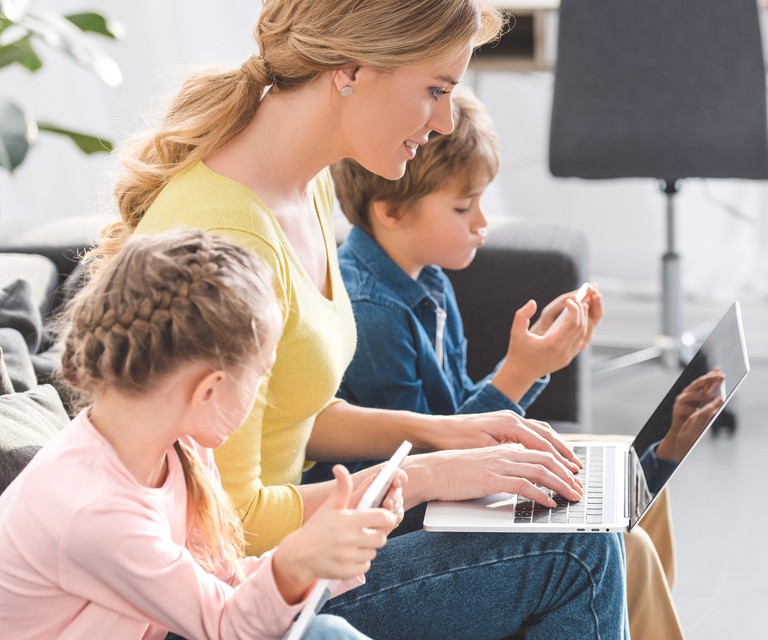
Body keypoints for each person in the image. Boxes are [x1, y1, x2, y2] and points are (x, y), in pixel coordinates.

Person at [90, 0, 629, 637]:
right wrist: (426, 475)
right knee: (577, 550)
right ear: (353, 69)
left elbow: (285, 412)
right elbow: (222, 527)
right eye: (435, 89)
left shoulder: (301, 185)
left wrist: (445, 434)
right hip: (243, 595)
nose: (444, 120)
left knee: (585, 522)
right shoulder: (229, 244)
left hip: (296, 552)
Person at [323, 86, 686, 640]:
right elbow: (420, 460)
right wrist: (518, 373)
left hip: (442, 484)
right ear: (391, 211)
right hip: (402, 519)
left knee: (628, 475)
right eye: (463, 206)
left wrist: (531, 365)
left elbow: (454, 415)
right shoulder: (372, 312)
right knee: (622, 540)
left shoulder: (428, 280)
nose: (482, 222)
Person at [0, 230, 393, 640]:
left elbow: (224, 587)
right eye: (260, 376)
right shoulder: (93, 511)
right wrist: (294, 560)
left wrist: (322, 553)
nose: (263, 393)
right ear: (207, 390)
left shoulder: (180, 449)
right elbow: (227, 626)